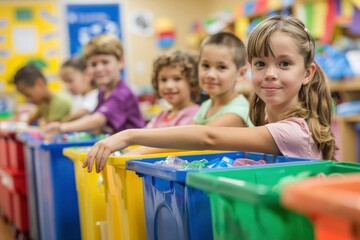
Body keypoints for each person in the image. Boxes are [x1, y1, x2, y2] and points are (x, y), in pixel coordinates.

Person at [84, 15, 337, 173]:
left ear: (307, 73)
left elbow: (207, 137)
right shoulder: (269, 122)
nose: (270, 73)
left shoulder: (294, 131)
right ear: (250, 69)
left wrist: (128, 136)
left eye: (284, 64)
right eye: (261, 63)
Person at [126, 32, 254, 156]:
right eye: (205, 65)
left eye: (221, 67)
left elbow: (195, 139)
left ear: (241, 73)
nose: (210, 74)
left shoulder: (238, 111)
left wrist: (138, 149)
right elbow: (183, 136)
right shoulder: (206, 106)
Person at [43, 33, 145, 135]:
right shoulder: (102, 91)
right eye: (93, 64)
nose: (99, 69)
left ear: (121, 62)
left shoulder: (122, 93)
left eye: (105, 62)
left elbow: (98, 120)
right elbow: (97, 122)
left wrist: (61, 127)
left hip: (135, 147)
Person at [146, 50, 200, 128]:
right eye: (163, 79)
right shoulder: (160, 116)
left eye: (177, 79)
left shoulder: (196, 115)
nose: (169, 86)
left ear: (192, 82)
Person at [60, 57, 99, 122]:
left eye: (70, 81)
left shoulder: (96, 94)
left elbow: (81, 112)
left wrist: (60, 122)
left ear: (87, 74)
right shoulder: (77, 97)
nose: (68, 87)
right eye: (65, 82)